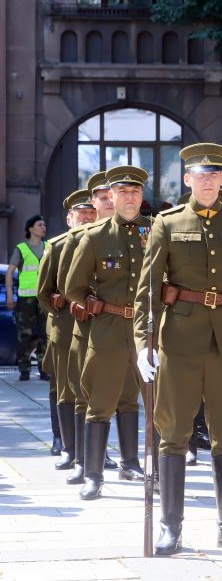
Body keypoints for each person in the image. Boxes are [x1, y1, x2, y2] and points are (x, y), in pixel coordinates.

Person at [134, 143, 222, 555]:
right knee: (174, 434)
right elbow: (148, 289)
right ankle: (171, 527)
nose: (208, 181)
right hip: (178, 342)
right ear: (187, 180)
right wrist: (143, 342)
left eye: (215, 175)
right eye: (201, 175)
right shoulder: (166, 223)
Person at [64, 166, 151, 500]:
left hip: (147, 327)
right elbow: (74, 287)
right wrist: (94, 304)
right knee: (99, 402)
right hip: (109, 327)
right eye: (122, 192)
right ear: (110, 197)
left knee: (154, 402)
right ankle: (94, 474)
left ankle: (139, 465)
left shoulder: (155, 230)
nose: (129, 198)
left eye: (135, 192)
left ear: (141, 196)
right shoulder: (94, 236)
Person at [37, 191, 97, 471]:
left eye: (90, 214)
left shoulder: (101, 242)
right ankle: (66, 446)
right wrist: (58, 305)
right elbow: (43, 292)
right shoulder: (58, 246)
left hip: (98, 325)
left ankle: (93, 451)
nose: (86, 218)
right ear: (69, 218)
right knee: (65, 388)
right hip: (65, 324)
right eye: (80, 214)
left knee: (94, 388)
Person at [7, 214, 50, 381]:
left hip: (44, 298)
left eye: (44, 225)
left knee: (46, 335)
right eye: (40, 224)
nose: (43, 227)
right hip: (26, 300)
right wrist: (10, 296)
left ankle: (44, 369)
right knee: (25, 335)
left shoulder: (48, 247)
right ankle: (24, 369)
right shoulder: (21, 249)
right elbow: (10, 273)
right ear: (30, 228)